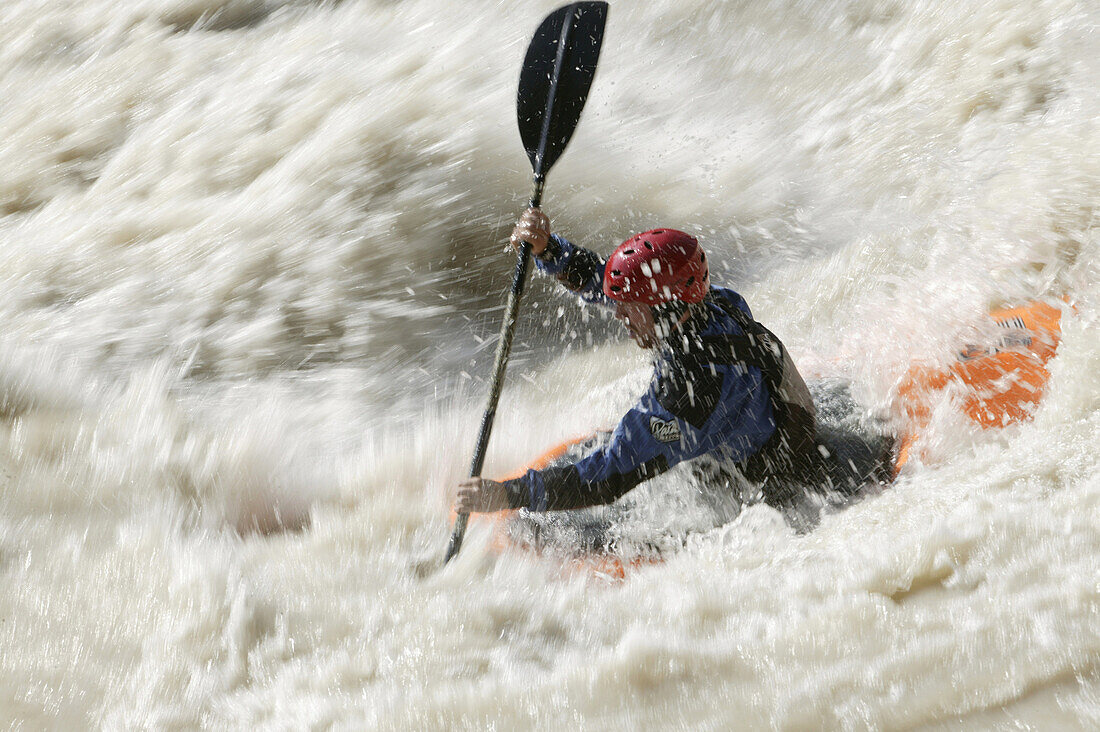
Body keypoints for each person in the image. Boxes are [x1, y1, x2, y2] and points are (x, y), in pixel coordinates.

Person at [456, 208, 889, 532]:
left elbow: (609, 476)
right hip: (767, 428)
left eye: (631, 310)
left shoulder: (689, 392)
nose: (620, 316)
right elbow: (611, 284)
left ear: (666, 310)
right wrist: (548, 250)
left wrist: (510, 494)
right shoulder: (713, 301)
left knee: (649, 444)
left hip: (777, 485)